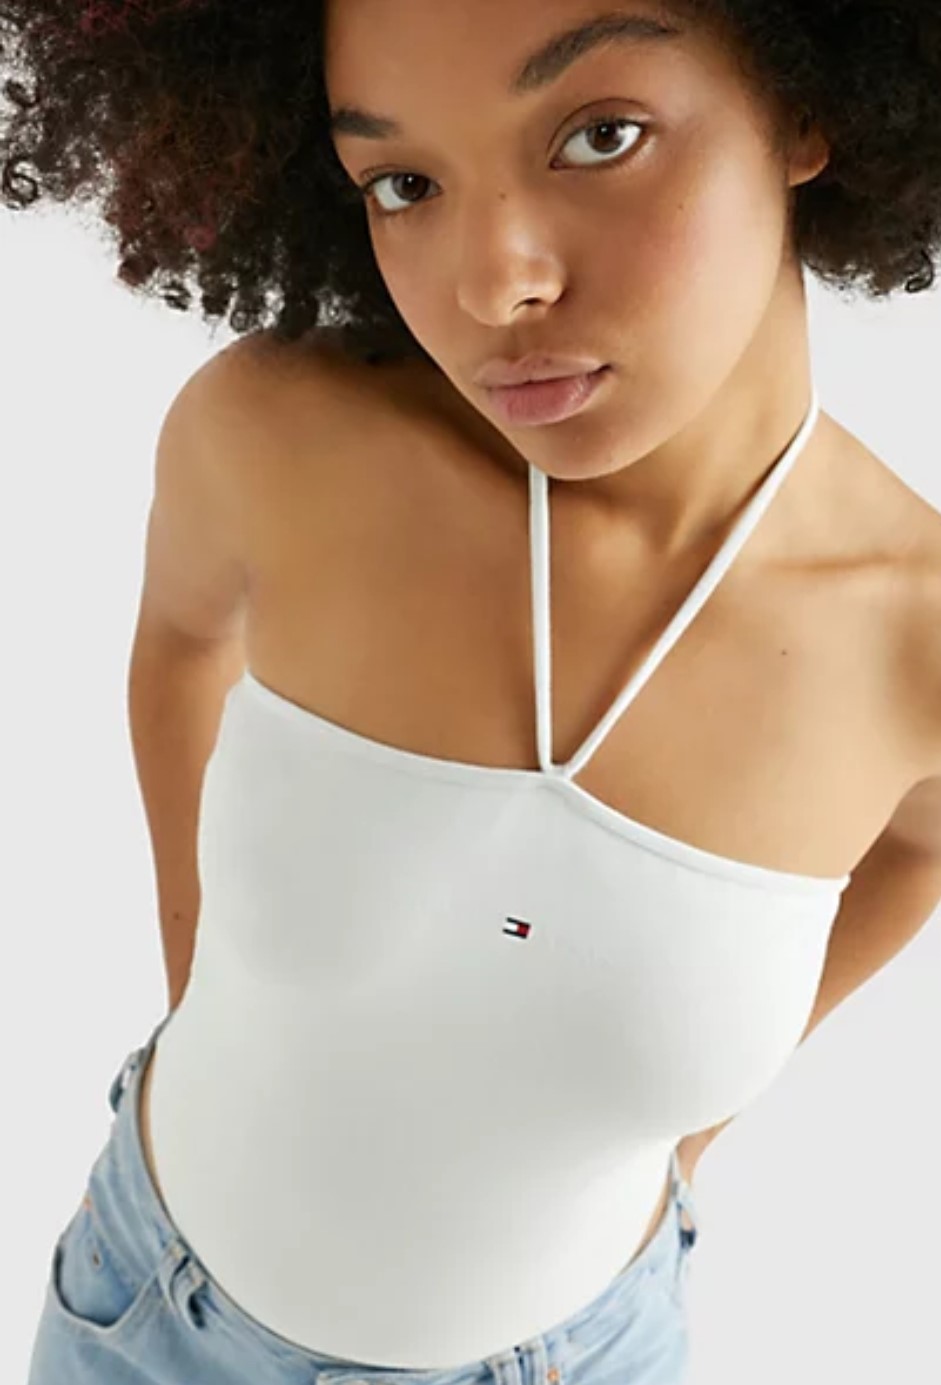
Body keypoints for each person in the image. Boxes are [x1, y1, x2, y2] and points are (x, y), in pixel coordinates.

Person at [9, 1, 941, 1382]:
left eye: (600, 136)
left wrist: (674, 1144)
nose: (494, 285)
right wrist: (196, 983)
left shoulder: (914, 639)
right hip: (142, 1317)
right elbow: (180, 647)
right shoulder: (278, 442)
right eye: (404, 183)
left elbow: (918, 844)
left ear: (808, 106)